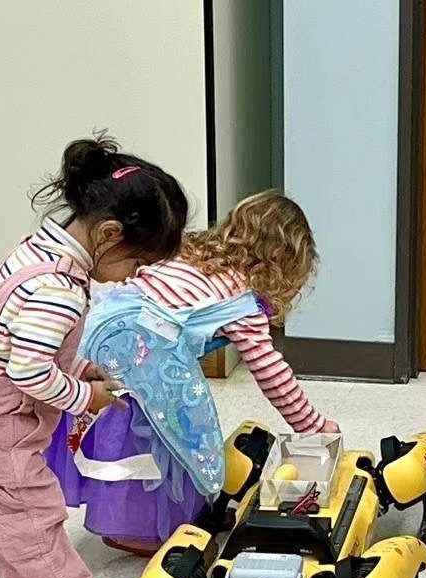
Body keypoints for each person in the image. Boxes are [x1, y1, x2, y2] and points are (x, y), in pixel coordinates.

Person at [0, 136, 189, 578]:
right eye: (135, 266)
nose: (132, 278)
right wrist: (82, 396)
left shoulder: (36, 251)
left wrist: (76, 365)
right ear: (110, 235)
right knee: (32, 517)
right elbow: (27, 371)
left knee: (5, 517)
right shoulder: (61, 289)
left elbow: (15, 340)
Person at [47, 191, 339, 556]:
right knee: (178, 435)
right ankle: (138, 528)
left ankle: (133, 516)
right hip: (143, 350)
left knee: (130, 427)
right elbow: (272, 375)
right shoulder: (242, 302)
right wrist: (312, 426)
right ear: (284, 263)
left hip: (99, 330)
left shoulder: (191, 254)